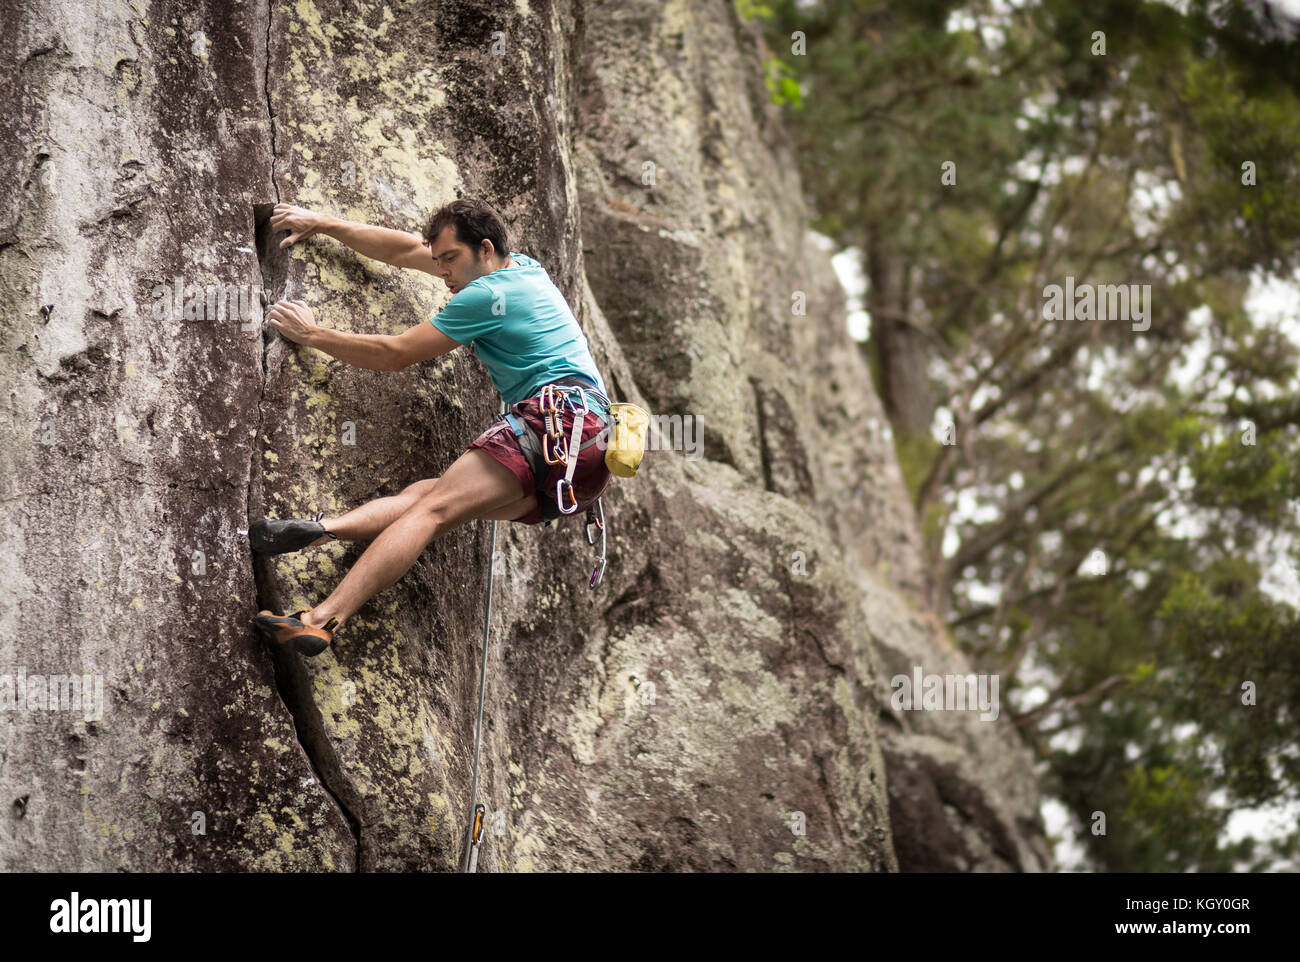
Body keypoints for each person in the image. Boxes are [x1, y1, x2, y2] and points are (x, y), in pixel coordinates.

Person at [250, 198, 612, 655]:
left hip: (555, 422)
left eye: (450, 259)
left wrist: (314, 335)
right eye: (438, 259)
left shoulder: (487, 295)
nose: (443, 272)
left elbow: (396, 353)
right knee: (427, 499)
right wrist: (323, 222)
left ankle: (320, 620)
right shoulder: (523, 269)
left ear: (484, 249)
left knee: (431, 512)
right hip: (585, 458)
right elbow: (405, 250)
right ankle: (325, 529)